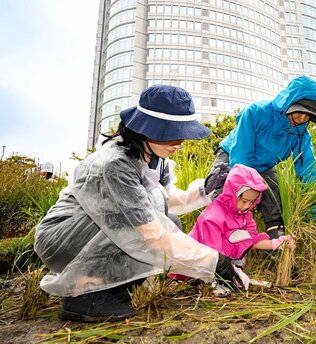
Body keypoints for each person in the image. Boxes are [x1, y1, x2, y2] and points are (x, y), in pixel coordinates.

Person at [34, 85, 244, 323]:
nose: (179, 142)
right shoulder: (115, 164)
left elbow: (166, 202)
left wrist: (204, 190)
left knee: (170, 219)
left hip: (99, 232)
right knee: (151, 223)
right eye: (171, 133)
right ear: (145, 128)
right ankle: (83, 295)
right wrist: (216, 263)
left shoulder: (155, 158)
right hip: (63, 237)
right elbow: (150, 232)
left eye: (182, 133)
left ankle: (109, 288)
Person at [204, 76, 316, 240]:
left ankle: (276, 245)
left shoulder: (302, 133)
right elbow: (242, 156)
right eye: (300, 111)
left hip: (265, 165)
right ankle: (215, 239)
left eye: (308, 115)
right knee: (228, 193)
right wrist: (245, 187)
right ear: (289, 101)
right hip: (234, 155)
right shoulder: (255, 112)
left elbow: (309, 170)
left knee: (273, 198)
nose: (302, 119)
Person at [190, 163, 294, 264]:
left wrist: (276, 243)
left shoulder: (245, 214)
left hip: (222, 261)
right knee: (238, 237)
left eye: (252, 201)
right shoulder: (212, 218)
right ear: (232, 194)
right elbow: (212, 252)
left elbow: (253, 240)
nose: (247, 206)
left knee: (243, 237)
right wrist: (226, 270)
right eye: (244, 201)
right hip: (196, 264)